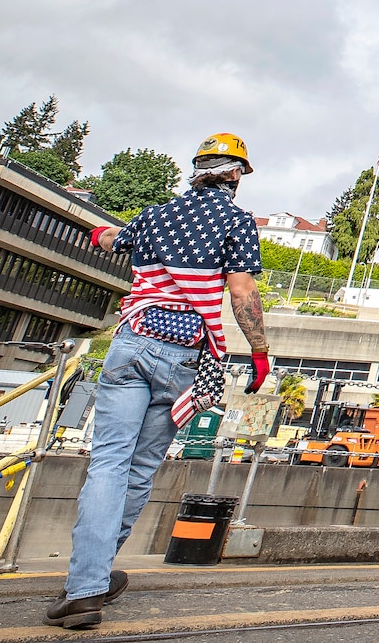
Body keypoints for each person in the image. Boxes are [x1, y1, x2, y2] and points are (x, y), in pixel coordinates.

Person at [47, 135, 273, 630]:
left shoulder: (155, 214)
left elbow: (114, 240)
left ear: (197, 170)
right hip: (182, 355)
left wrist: (98, 233)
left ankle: (85, 588)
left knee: (108, 461)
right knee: (141, 467)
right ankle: (93, 579)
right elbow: (242, 291)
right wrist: (258, 350)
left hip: (133, 342)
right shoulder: (235, 222)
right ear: (235, 174)